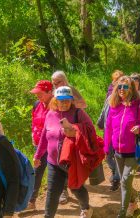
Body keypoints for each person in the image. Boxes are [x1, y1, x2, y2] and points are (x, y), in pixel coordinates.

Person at [34, 86, 95, 218]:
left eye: (67, 100)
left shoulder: (78, 113)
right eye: (61, 100)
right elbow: (45, 136)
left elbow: (91, 130)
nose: (64, 103)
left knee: (76, 188)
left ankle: (86, 208)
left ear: (71, 100)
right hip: (53, 162)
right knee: (52, 192)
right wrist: (38, 156)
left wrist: (75, 130)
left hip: (72, 161)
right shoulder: (50, 114)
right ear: (55, 100)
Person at [105, 76, 140, 217]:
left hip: (134, 151)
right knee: (124, 182)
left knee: (126, 180)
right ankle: (132, 203)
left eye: (125, 87)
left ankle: (122, 212)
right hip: (118, 152)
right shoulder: (114, 105)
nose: (122, 89)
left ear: (131, 88)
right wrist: (106, 147)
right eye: (119, 87)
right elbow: (108, 128)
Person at [51, 70, 86, 203]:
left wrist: (70, 104)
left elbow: (84, 104)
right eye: (53, 83)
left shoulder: (72, 90)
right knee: (60, 160)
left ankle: (75, 186)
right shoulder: (54, 92)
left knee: (68, 160)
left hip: (72, 130)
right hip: (57, 131)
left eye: (57, 82)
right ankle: (64, 191)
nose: (55, 85)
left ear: (64, 80)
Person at [27, 80, 53, 210]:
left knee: (60, 171)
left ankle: (65, 191)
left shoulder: (58, 104)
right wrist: (33, 134)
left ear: (49, 92)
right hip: (39, 144)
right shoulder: (37, 104)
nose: (37, 96)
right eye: (36, 93)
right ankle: (31, 202)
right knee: (37, 171)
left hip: (54, 145)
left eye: (40, 93)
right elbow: (34, 121)